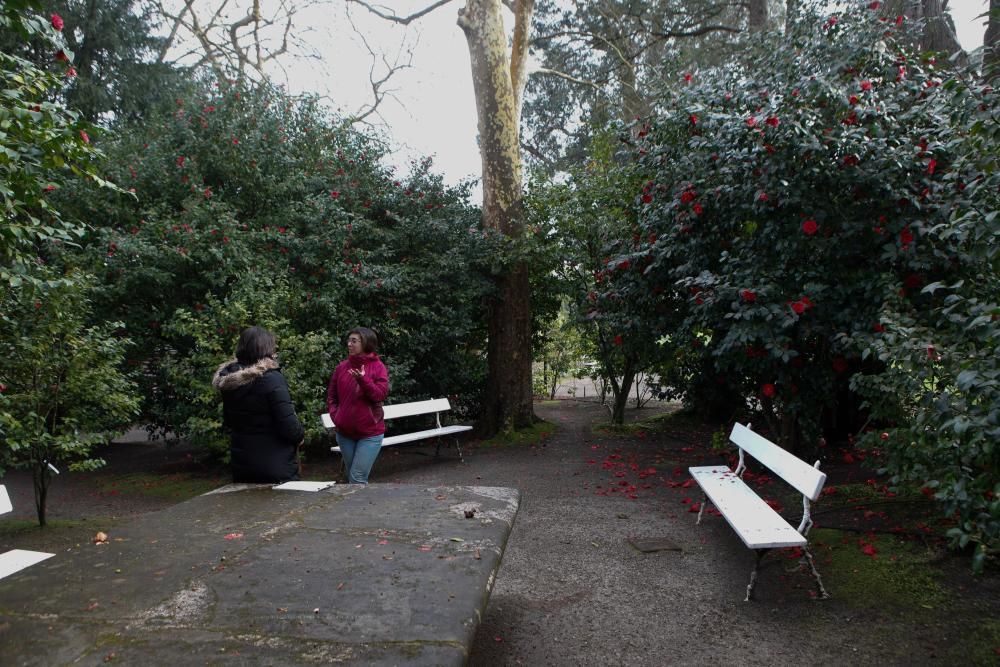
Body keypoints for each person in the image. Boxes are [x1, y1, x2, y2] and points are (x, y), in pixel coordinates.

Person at [212, 326, 304, 483]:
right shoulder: (271, 378)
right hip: (276, 463)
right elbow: (288, 425)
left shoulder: (229, 380)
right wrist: (299, 435)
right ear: (265, 348)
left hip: (242, 462)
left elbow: (229, 421)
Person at [326, 327, 390, 484]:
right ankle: (358, 507)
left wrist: (363, 380)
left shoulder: (378, 367)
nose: (349, 344)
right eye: (348, 340)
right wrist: (337, 417)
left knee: (357, 477)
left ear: (366, 343)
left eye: (354, 341)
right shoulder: (341, 367)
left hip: (370, 433)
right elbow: (332, 397)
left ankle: (358, 508)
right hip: (345, 433)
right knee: (352, 475)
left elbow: (380, 395)